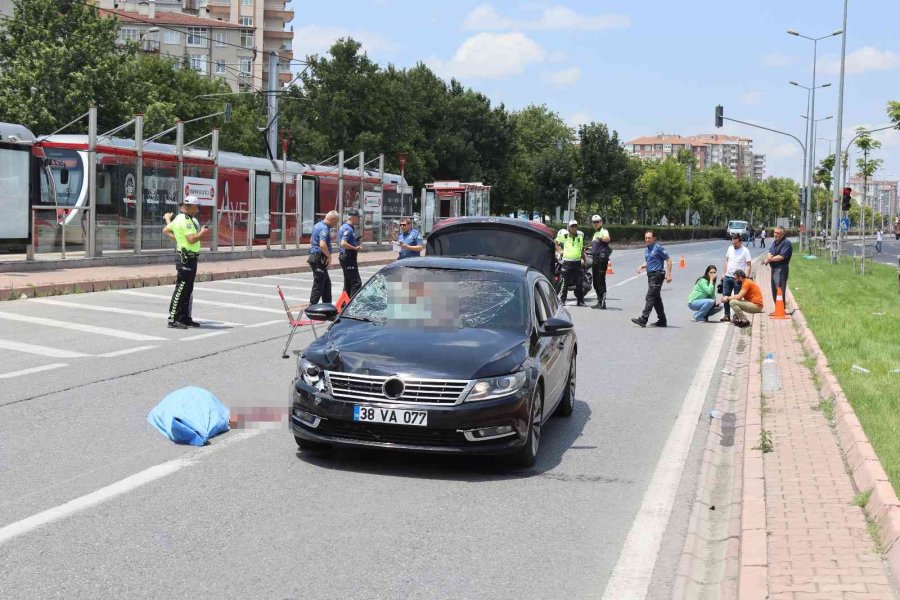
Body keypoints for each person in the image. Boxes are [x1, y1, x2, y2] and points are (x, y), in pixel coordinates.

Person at [162, 195, 210, 329]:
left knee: (188, 289)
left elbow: (166, 229)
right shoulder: (185, 220)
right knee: (181, 288)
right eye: (197, 207)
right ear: (192, 207)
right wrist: (202, 232)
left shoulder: (183, 218)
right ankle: (173, 319)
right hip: (185, 258)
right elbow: (191, 239)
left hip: (191, 258)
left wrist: (178, 238)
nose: (198, 210)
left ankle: (184, 318)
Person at [631, 230, 672, 327]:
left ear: (654, 239)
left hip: (657, 275)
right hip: (651, 276)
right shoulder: (647, 249)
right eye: (646, 238)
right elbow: (649, 262)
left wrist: (669, 274)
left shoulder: (658, 248)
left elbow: (668, 260)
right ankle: (662, 320)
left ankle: (643, 319)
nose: (647, 239)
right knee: (656, 299)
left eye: (649, 238)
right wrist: (641, 266)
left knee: (650, 297)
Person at [308, 210, 339, 305]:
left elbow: (311, 240)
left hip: (316, 257)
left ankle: (327, 306)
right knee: (319, 283)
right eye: (335, 222)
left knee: (326, 284)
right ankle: (312, 306)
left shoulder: (317, 225)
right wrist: (329, 257)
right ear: (331, 219)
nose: (335, 225)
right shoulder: (324, 228)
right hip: (318, 258)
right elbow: (322, 244)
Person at [721, 233, 752, 323]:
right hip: (728, 276)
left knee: (737, 298)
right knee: (725, 295)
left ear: (740, 242)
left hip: (738, 279)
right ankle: (726, 315)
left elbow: (748, 265)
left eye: (736, 243)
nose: (734, 245)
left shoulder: (745, 251)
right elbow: (727, 261)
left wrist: (746, 278)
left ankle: (736, 316)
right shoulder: (730, 248)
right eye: (733, 243)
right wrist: (724, 274)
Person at [555, 220, 586, 306]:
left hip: (577, 262)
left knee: (579, 283)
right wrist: (560, 250)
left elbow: (581, 250)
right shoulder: (564, 236)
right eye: (572, 226)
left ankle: (580, 301)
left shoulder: (580, 238)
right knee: (564, 282)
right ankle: (562, 300)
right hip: (567, 263)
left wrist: (584, 260)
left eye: (575, 226)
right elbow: (555, 242)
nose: (574, 228)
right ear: (569, 228)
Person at [762, 226, 793, 303]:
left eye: (777, 233)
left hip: (781, 269)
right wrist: (768, 256)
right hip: (774, 268)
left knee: (779, 289)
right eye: (774, 232)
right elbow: (770, 251)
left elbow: (782, 256)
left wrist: (770, 259)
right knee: (774, 290)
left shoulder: (786, 243)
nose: (775, 234)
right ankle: (777, 307)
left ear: (782, 234)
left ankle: (781, 308)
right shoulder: (775, 242)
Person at [338, 210, 363, 298]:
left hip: (345, 256)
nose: (359, 219)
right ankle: (352, 304)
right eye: (358, 218)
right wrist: (355, 248)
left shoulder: (344, 226)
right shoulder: (348, 229)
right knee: (356, 283)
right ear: (353, 217)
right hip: (348, 257)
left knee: (348, 283)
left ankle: (344, 304)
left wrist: (354, 242)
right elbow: (343, 243)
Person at [589, 215, 611, 309]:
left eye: (597, 221)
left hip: (601, 258)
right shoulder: (595, 233)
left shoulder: (603, 230)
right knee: (595, 282)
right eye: (594, 222)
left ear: (601, 222)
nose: (596, 223)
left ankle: (602, 303)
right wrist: (587, 248)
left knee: (600, 280)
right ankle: (599, 301)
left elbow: (607, 238)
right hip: (595, 258)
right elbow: (594, 246)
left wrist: (601, 238)